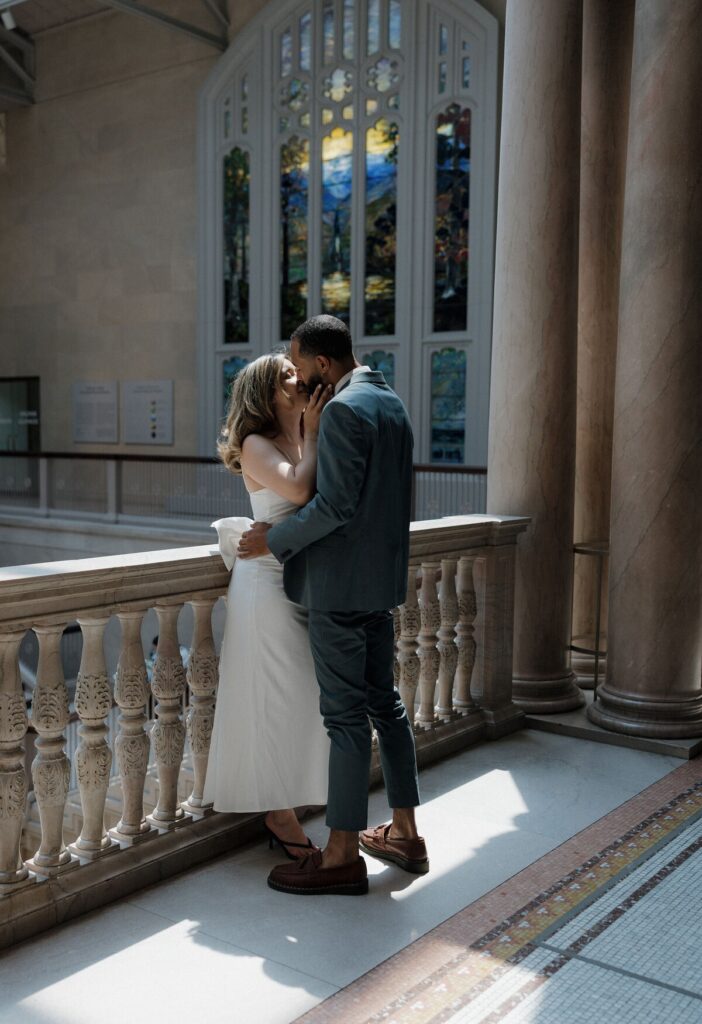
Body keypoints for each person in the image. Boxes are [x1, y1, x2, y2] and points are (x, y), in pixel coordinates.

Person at [239, 315, 427, 896]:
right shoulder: (389, 401)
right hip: (379, 583)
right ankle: (404, 833)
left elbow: (336, 507)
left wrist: (274, 539)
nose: (294, 374)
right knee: (387, 707)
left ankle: (341, 853)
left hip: (340, 590)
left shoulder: (344, 411)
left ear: (324, 364)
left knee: (346, 720)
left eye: (298, 364)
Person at [203, 353, 332, 859]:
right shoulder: (257, 445)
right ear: (268, 393)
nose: (300, 379)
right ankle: (277, 816)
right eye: (288, 376)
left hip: (300, 578)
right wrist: (316, 432)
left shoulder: (303, 436)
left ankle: (290, 799)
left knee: (301, 695)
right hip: (265, 587)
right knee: (271, 697)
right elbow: (301, 488)